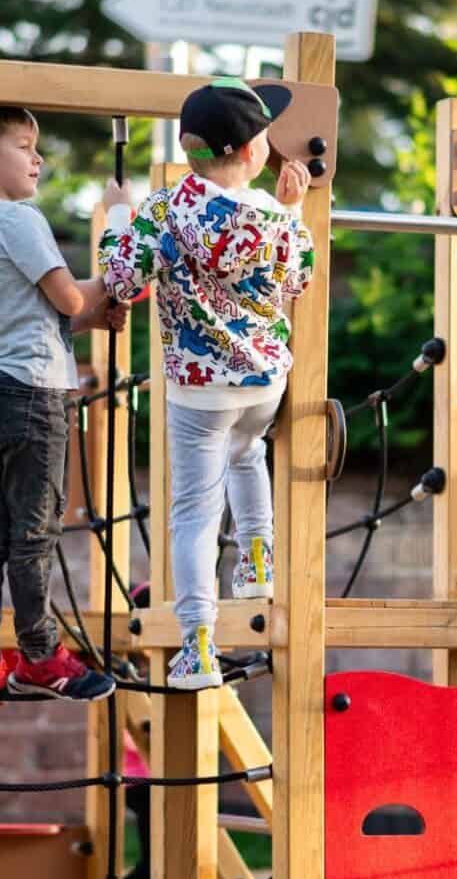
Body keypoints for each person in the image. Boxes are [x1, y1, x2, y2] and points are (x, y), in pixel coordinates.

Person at [99, 78, 314, 689]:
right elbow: (299, 278)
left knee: (194, 511)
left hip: (197, 389)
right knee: (250, 455)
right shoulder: (273, 215)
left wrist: (119, 210)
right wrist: (294, 211)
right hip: (264, 379)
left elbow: (119, 279)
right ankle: (256, 561)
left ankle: (196, 647)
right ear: (251, 152)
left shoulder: (166, 209)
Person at [0, 104, 123, 701]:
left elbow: (45, 319)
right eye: (26, 146)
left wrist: (92, 310)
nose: (39, 158)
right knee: (34, 531)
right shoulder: (20, 219)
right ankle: (41, 656)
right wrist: (118, 278)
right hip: (33, 394)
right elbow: (70, 301)